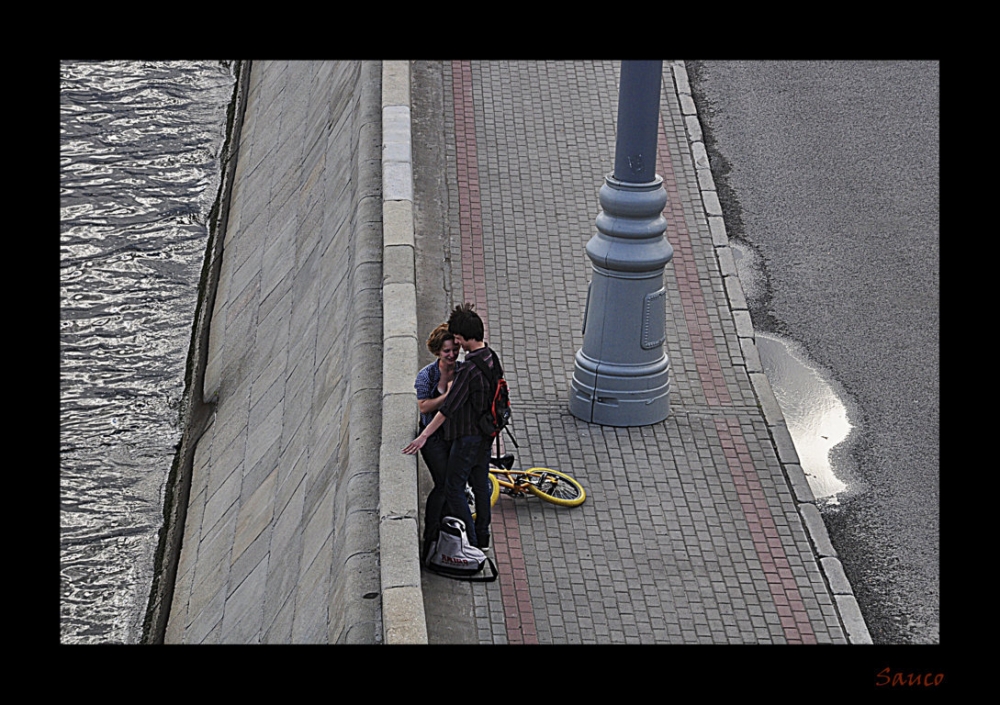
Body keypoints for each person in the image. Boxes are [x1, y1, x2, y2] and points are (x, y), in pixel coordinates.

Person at [403, 303, 495, 550]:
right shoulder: (490, 358)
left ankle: (472, 545)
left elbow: (447, 409)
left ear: (464, 338)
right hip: (485, 436)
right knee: (478, 483)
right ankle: (481, 537)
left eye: (457, 344)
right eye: (449, 349)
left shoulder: (467, 370)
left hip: (465, 438)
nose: (455, 351)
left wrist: (423, 436)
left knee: (452, 487)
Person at [413, 323, 460, 560]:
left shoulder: (462, 371)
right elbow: (424, 406)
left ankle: (446, 532)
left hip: (453, 434)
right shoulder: (427, 376)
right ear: (437, 352)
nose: (451, 355)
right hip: (432, 437)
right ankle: (430, 533)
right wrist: (447, 396)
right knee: (443, 483)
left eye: (454, 350)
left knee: (452, 484)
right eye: (446, 351)